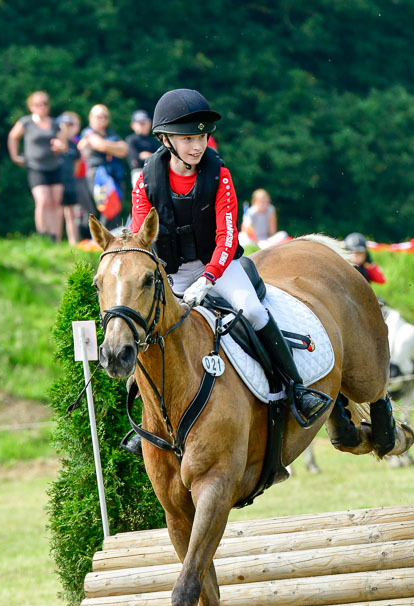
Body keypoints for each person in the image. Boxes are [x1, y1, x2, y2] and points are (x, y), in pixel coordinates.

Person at [123, 88, 329, 453]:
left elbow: (227, 234)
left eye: (201, 136)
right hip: (170, 270)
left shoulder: (220, 176)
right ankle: (148, 416)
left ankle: (296, 390)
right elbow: (142, 235)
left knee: (252, 310)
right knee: (141, 319)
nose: (197, 145)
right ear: (166, 139)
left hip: (218, 265)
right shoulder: (146, 180)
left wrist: (208, 278)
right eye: (188, 138)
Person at [8, 90, 66, 242]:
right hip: (36, 166)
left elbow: (64, 144)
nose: (41, 107)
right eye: (37, 104)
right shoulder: (26, 122)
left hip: (54, 166)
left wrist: (60, 146)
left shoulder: (55, 124)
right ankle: (43, 234)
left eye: (44, 104)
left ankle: (56, 238)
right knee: (42, 200)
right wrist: (15, 156)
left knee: (55, 202)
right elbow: (13, 137)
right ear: (31, 106)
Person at [78, 104, 128, 229]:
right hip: (97, 174)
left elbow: (124, 150)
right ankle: (101, 237)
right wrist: (112, 146)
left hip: (115, 174)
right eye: (99, 117)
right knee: (104, 206)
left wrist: (106, 145)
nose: (102, 120)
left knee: (115, 207)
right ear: (91, 117)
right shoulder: (88, 132)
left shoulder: (111, 133)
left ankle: (111, 235)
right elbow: (100, 145)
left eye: (105, 117)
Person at [56, 111, 82, 245]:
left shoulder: (73, 145)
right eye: (65, 125)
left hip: (70, 182)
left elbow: (76, 165)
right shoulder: (54, 143)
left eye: (70, 125)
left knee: (71, 213)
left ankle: (73, 242)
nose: (67, 128)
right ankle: (56, 241)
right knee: (58, 213)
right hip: (57, 182)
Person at [126, 110, 158, 188]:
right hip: (138, 172)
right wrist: (152, 157)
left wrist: (147, 156)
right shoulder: (131, 140)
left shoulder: (153, 141)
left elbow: (159, 158)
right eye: (140, 123)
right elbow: (134, 160)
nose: (143, 126)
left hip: (154, 172)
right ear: (133, 125)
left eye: (145, 123)